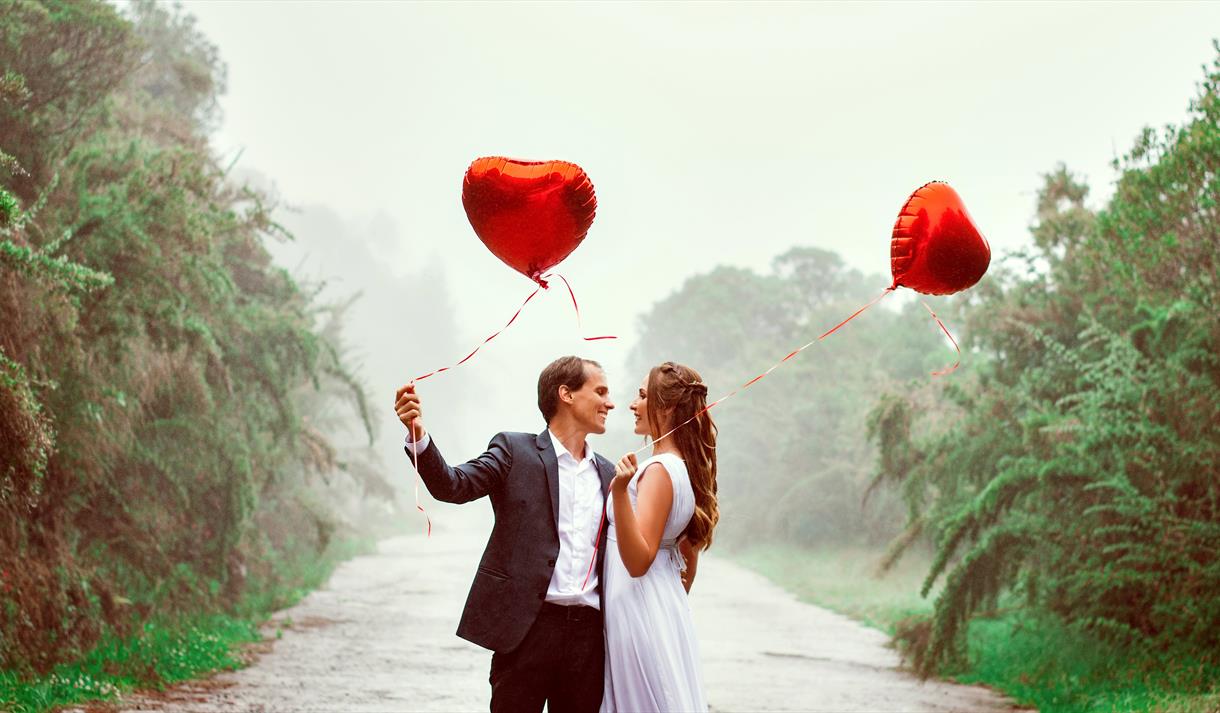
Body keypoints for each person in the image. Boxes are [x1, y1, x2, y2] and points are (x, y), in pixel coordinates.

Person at [393, 356, 615, 713]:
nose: (610, 402)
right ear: (566, 395)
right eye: (600, 391)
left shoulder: (609, 473)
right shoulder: (515, 451)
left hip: (589, 640)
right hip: (526, 632)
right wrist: (418, 435)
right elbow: (453, 486)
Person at [601, 361, 718, 712]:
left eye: (641, 396)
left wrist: (620, 491)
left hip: (636, 607)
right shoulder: (683, 468)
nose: (632, 405)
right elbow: (688, 560)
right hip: (659, 604)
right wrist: (662, 603)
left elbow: (638, 561)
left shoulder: (657, 472)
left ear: (665, 407)